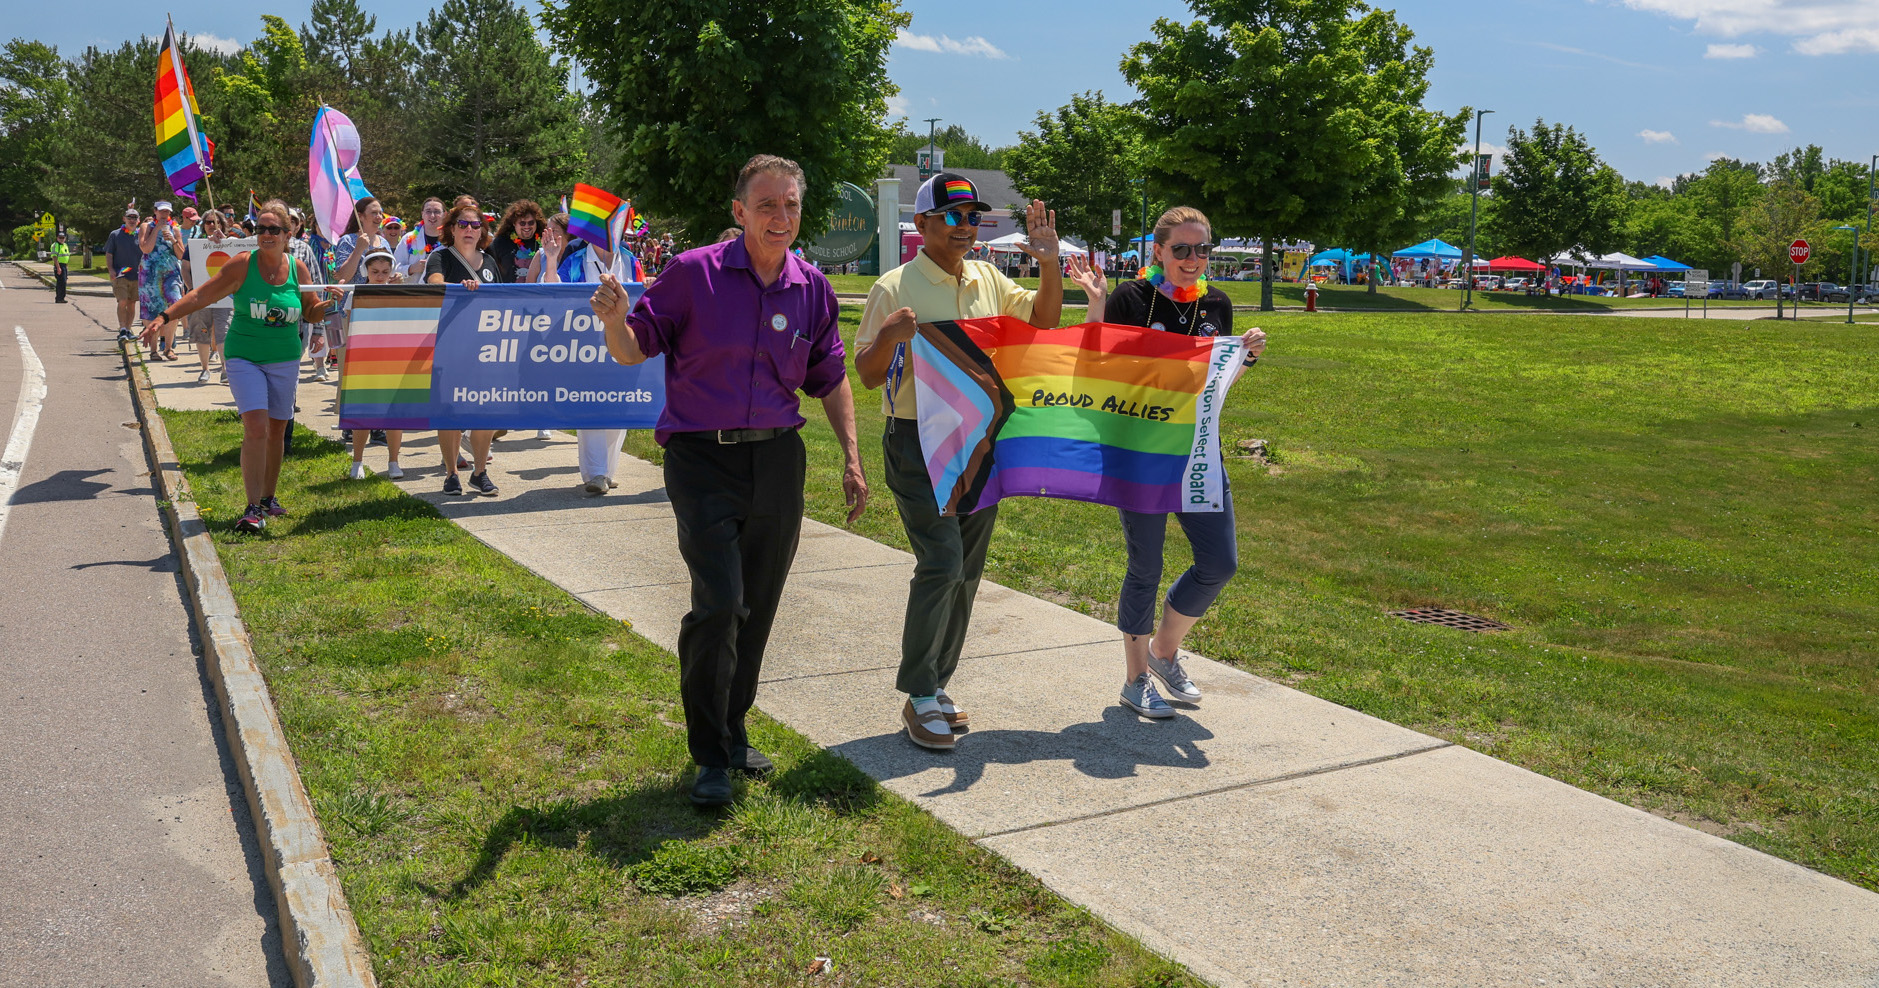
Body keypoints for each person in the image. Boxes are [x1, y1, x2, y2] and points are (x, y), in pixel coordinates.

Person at [589, 154, 867, 807]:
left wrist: (852, 456)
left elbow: (829, 379)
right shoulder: (692, 275)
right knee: (719, 602)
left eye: (791, 205)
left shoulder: (812, 288)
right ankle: (710, 755)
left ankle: (734, 732)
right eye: (767, 205)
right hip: (700, 458)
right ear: (738, 212)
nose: (780, 217)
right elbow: (633, 348)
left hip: (777, 461)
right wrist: (612, 320)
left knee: (758, 607)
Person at [852, 173, 1067, 751]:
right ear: (921, 225)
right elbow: (868, 375)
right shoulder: (893, 287)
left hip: (977, 443)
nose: (965, 227)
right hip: (915, 441)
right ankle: (920, 693)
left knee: (968, 572)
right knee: (942, 561)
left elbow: (1044, 320)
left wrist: (1049, 263)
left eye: (973, 217)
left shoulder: (988, 279)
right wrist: (893, 337)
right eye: (952, 217)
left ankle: (937, 684)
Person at [1077, 206, 1266, 718]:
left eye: (1202, 249)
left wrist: (1242, 360)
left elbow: (1212, 389)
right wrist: (1096, 310)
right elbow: (1093, 371)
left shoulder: (1218, 305)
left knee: (1219, 562)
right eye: (1180, 249)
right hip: (1138, 456)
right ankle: (1135, 679)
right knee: (1146, 565)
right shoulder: (1131, 299)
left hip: (1197, 452)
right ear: (1157, 251)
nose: (1192, 259)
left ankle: (1164, 653)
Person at [138, 199, 342, 532]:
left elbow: (311, 312)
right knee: (257, 427)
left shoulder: (297, 269)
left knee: (277, 430)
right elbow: (201, 295)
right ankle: (251, 509)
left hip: (285, 358)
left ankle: (268, 499)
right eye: (261, 229)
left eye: (274, 229)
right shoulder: (242, 265)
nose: (266, 235)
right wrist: (163, 317)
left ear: (288, 234)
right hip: (244, 355)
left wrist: (329, 305)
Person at [535, 212, 627, 492]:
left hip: (622, 344)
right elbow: (553, 294)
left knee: (618, 407)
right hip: (584, 348)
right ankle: (596, 473)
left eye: (616, 225)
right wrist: (551, 260)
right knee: (592, 403)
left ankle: (607, 470)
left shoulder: (630, 260)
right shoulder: (575, 260)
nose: (612, 231)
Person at [426, 196, 501, 497]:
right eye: (463, 224)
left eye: (475, 225)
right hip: (450, 345)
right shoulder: (441, 257)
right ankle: (452, 473)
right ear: (452, 229)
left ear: (482, 231)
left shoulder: (491, 261)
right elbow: (434, 284)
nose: (469, 229)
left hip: (485, 347)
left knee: (485, 410)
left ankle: (480, 472)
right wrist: (458, 288)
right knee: (450, 411)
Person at [347, 248, 406, 480]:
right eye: (375, 271)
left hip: (393, 358)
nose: (380, 276)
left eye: (385, 271)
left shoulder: (400, 293)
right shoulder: (356, 294)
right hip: (365, 359)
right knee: (362, 412)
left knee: (394, 414)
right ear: (366, 272)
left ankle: (393, 461)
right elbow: (350, 328)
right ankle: (357, 462)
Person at [188, 212, 235, 383]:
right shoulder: (196, 245)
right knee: (202, 330)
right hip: (202, 295)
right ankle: (205, 369)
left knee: (224, 330)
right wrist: (190, 287)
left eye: (215, 222)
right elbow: (185, 267)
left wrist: (225, 242)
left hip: (225, 295)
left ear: (222, 224)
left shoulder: (232, 243)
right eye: (208, 222)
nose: (211, 225)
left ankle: (225, 369)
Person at [139, 202, 187, 361]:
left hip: (170, 274)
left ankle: (168, 348)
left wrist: (173, 239)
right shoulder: (146, 227)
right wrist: (157, 229)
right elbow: (146, 248)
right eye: (161, 212)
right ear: (155, 212)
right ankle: (153, 350)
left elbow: (181, 255)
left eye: (167, 212)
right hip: (150, 275)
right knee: (151, 310)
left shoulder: (176, 229)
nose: (164, 215)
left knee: (174, 307)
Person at [105, 207, 143, 341]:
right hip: (120, 275)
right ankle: (122, 330)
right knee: (122, 301)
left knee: (132, 303)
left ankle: (128, 329)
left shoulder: (141, 235)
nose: (132, 220)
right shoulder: (115, 235)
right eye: (129, 217)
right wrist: (111, 270)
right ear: (124, 219)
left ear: (138, 221)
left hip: (137, 275)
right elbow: (109, 253)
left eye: (134, 218)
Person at [489, 200, 545, 284]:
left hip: (537, 294)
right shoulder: (500, 242)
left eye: (531, 222)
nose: (527, 226)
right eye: (522, 223)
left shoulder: (544, 240)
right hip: (509, 294)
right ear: (514, 223)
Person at [396, 197, 447, 283]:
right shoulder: (408, 239)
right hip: (413, 293)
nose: (432, 216)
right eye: (428, 211)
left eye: (437, 211)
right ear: (422, 214)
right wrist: (411, 268)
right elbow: (394, 268)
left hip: (440, 293)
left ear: (444, 215)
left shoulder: (450, 240)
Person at [50, 231, 70, 303]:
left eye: (63, 238)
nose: (61, 239)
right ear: (57, 238)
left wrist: (66, 265)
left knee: (64, 282)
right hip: (59, 265)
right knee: (61, 282)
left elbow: (66, 256)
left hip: (64, 265)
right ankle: (59, 298)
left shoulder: (65, 245)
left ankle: (62, 298)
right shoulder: (55, 245)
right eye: (60, 237)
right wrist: (58, 267)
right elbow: (54, 257)